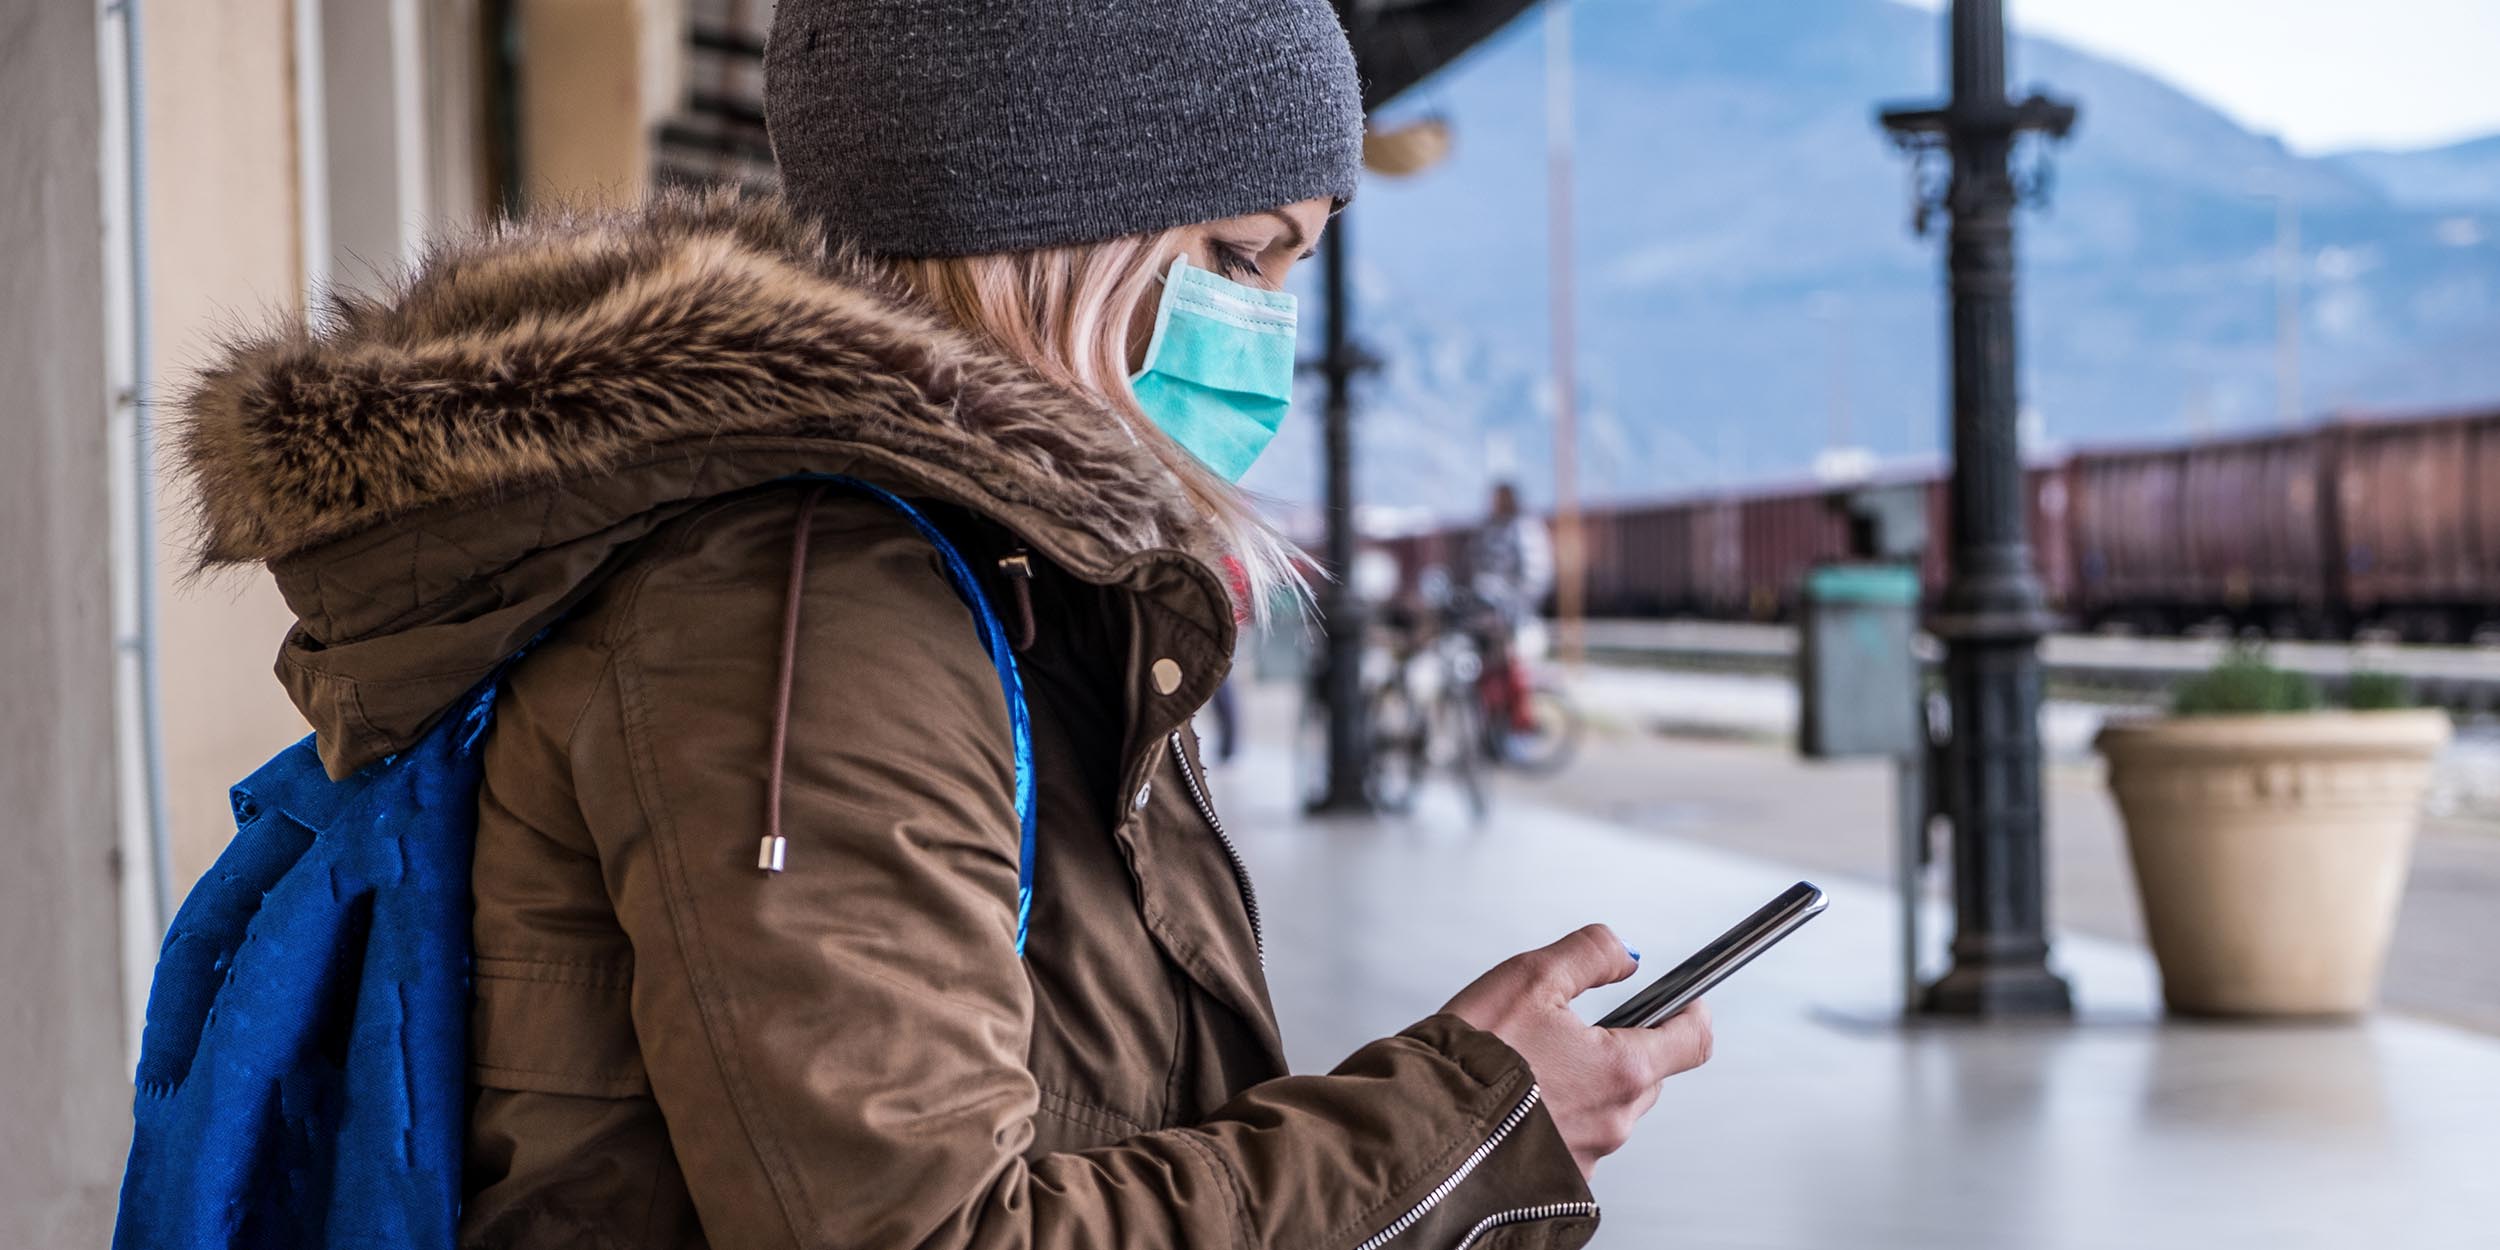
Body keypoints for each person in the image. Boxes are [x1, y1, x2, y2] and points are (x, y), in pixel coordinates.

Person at [172, 2, 1711, 1245]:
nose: (1268, 334)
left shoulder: (983, 580)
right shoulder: (818, 610)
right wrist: (1466, 1124)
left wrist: (1458, 1104)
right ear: (1050, 225)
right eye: (1239, 256)